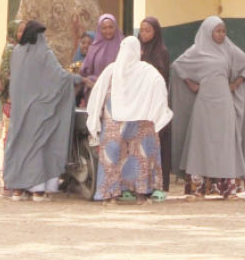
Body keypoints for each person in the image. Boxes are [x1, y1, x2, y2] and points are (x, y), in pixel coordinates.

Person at [87, 36, 173, 205]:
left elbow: (97, 96)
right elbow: (160, 88)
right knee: (140, 154)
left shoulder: (111, 70)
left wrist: (94, 120)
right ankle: (142, 194)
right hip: (141, 121)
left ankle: (109, 195)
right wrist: (158, 112)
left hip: (115, 122)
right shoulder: (147, 71)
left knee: (112, 154)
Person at [3, 20, 79, 202]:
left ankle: (18, 190)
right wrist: (78, 78)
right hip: (39, 110)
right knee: (37, 146)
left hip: (20, 109)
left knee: (19, 145)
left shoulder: (17, 53)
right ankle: (37, 190)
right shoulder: (45, 53)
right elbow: (60, 76)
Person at [171, 16, 245, 201]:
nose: (221, 34)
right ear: (208, 32)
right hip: (204, 103)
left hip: (224, 103)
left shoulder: (229, 49)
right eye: (217, 31)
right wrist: (191, 84)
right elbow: (178, 65)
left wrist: (236, 83)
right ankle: (197, 189)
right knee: (200, 143)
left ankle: (228, 189)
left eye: (223, 30)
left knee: (225, 144)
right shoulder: (197, 50)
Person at [138, 17, 171, 192]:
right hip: (139, 104)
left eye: (148, 30)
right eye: (142, 29)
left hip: (155, 103)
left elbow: (161, 77)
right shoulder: (136, 50)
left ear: (156, 32)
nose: (144, 33)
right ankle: (141, 184)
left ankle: (160, 185)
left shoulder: (161, 51)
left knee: (158, 142)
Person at [0, 19, 24, 197]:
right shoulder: (11, 50)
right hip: (13, 102)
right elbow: (5, 77)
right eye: (20, 31)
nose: (23, 34)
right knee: (11, 141)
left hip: (21, 102)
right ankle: (9, 181)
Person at [79, 14, 123, 107]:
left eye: (111, 27)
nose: (108, 31)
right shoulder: (94, 48)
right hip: (95, 91)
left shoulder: (123, 46)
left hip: (116, 92)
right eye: (104, 28)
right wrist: (90, 81)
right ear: (99, 29)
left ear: (116, 27)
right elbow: (85, 71)